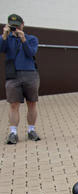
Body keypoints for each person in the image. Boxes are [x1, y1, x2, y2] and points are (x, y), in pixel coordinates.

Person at [1, 14, 40, 144]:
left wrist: (23, 39)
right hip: (13, 75)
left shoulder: (31, 39)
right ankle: (13, 132)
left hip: (30, 74)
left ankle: (31, 130)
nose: (15, 28)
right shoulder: (6, 39)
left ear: (22, 24)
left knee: (32, 102)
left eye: (18, 26)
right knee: (13, 104)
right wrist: (5, 36)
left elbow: (31, 53)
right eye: (13, 26)